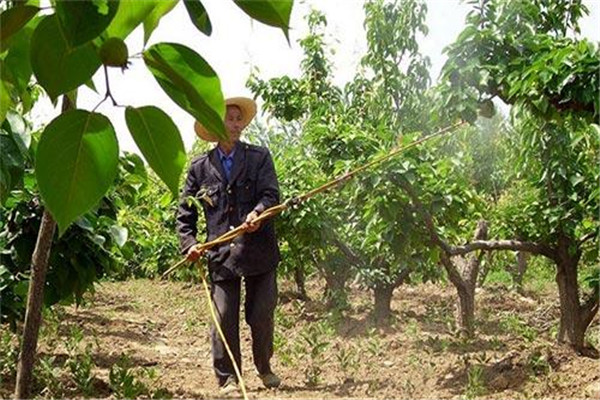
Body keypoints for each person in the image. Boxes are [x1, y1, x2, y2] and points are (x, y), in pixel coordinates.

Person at [176, 97, 282, 394]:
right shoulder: (199, 168)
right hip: (221, 253)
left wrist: (258, 213)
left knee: (261, 313)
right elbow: (185, 212)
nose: (235, 124)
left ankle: (265, 367)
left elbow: (271, 194)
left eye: (238, 119)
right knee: (223, 316)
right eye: (228, 119)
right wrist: (190, 245)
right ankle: (228, 378)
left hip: (259, 249)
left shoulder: (259, 157)